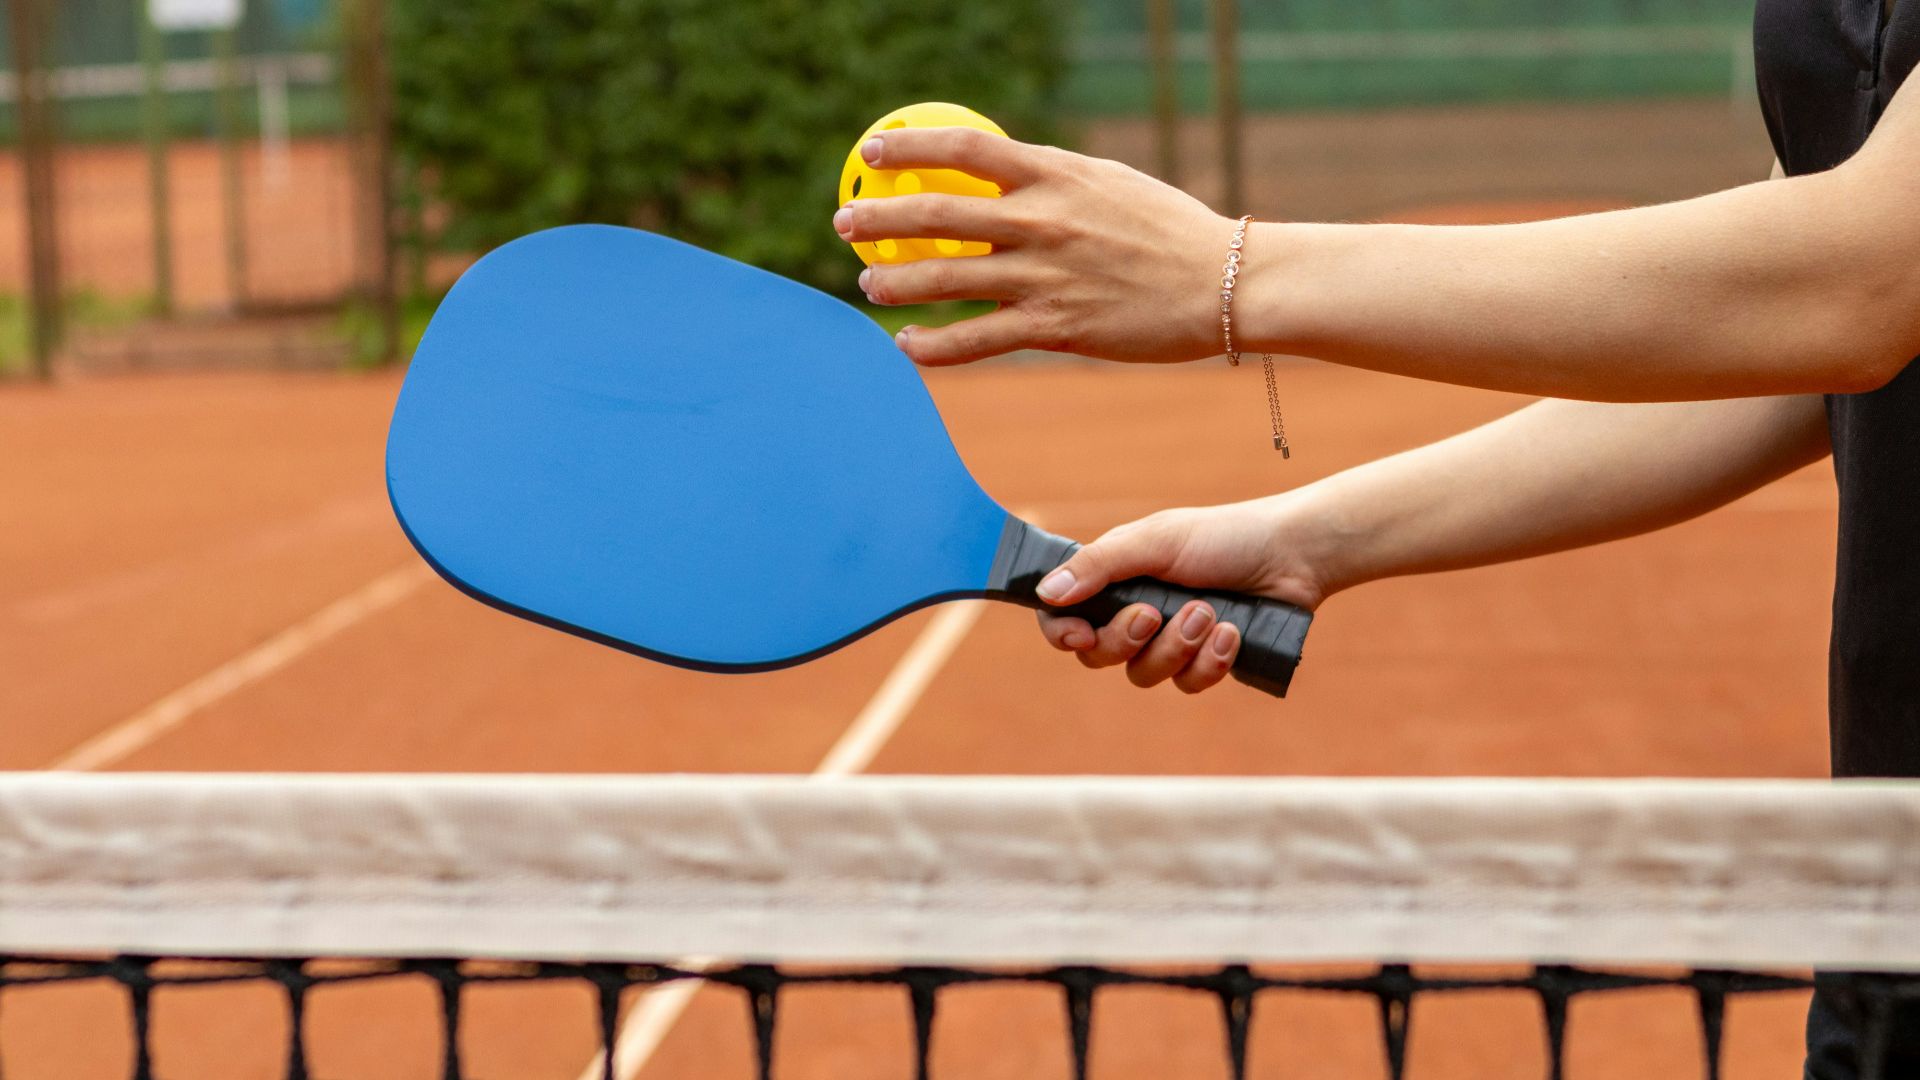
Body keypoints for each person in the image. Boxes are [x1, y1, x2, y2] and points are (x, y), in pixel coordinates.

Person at [831, 2, 1918, 1075]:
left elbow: (1858, 280)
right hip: (1889, 886)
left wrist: (1225, 271)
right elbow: (1768, 340)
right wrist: (1309, 540)